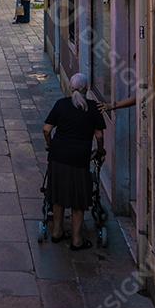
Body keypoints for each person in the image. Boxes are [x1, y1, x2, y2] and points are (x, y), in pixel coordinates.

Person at [42, 74, 106, 250]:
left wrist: (50, 145)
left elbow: (46, 129)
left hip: (58, 156)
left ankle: (57, 232)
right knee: (78, 198)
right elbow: (99, 135)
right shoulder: (93, 108)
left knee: (57, 194)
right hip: (80, 158)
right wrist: (100, 151)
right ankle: (77, 240)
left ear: (71, 88)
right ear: (87, 88)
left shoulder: (61, 104)